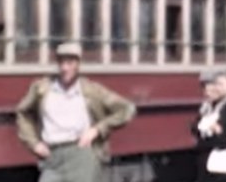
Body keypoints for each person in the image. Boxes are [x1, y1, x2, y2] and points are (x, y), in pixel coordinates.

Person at [15, 42, 136, 182]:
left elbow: (127, 108)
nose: (65, 68)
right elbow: (22, 113)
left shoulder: (91, 90)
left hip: (81, 154)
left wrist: (97, 130)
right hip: (52, 157)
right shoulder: (42, 88)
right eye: (61, 63)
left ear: (78, 64)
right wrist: (34, 144)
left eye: (70, 63)